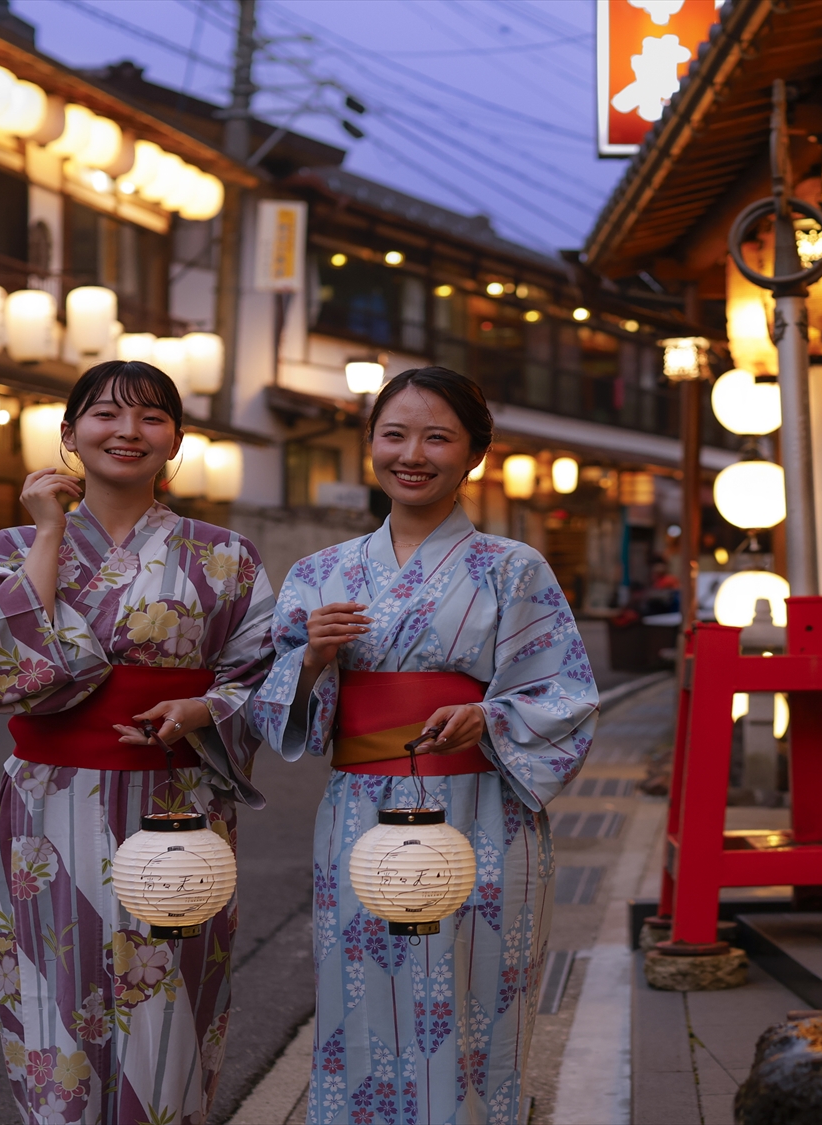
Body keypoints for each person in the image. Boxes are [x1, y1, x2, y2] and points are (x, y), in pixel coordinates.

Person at [246, 367, 597, 1125]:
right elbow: (272, 711)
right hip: (361, 811)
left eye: (437, 436)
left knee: (472, 992)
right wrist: (310, 659)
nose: (413, 453)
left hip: (482, 809)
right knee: (361, 994)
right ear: (369, 442)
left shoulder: (513, 568)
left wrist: (489, 716)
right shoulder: (320, 574)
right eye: (394, 433)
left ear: (473, 453)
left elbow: (564, 694)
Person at [0, 360, 276, 1125]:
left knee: (174, 989)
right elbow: (4, 670)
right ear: (69, 434)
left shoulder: (227, 557)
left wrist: (201, 706)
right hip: (50, 800)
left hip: (180, 795)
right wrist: (50, 529)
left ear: (176, 441)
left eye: (152, 418)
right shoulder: (7, 548)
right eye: (107, 415)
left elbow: (263, 677)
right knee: (60, 976)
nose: (128, 432)